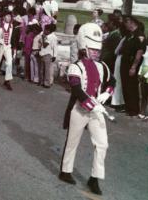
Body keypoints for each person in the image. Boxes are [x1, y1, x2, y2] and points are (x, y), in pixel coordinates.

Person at [59, 23, 115, 196]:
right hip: (80, 110)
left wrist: (107, 93)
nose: (97, 52)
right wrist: (93, 105)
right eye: (93, 49)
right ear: (84, 48)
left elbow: (112, 81)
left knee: (102, 144)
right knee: (72, 142)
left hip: (96, 111)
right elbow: (76, 89)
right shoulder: (75, 67)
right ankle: (65, 171)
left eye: (98, 50)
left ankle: (95, 178)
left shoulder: (102, 66)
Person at [118, 16, 145, 116]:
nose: (125, 24)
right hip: (125, 62)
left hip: (132, 63)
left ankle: (134, 109)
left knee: (132, 87)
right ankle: (128, 107)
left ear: (133, 23)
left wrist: (134, 67)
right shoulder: (130, 35)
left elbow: (139, 52)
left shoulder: (140, 35)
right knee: (125, 85)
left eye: (127, 22)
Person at [39, 24, 58, 88]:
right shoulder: (50, 36)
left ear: (49, 31)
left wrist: (43, 37)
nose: (44, 31)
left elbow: (45, 45)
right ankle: (42, 81)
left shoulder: (49, 37)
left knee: (46, 70)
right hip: (43, 53)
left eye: (45, 30)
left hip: (47, 54)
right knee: (42, 69)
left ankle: (46, 83)